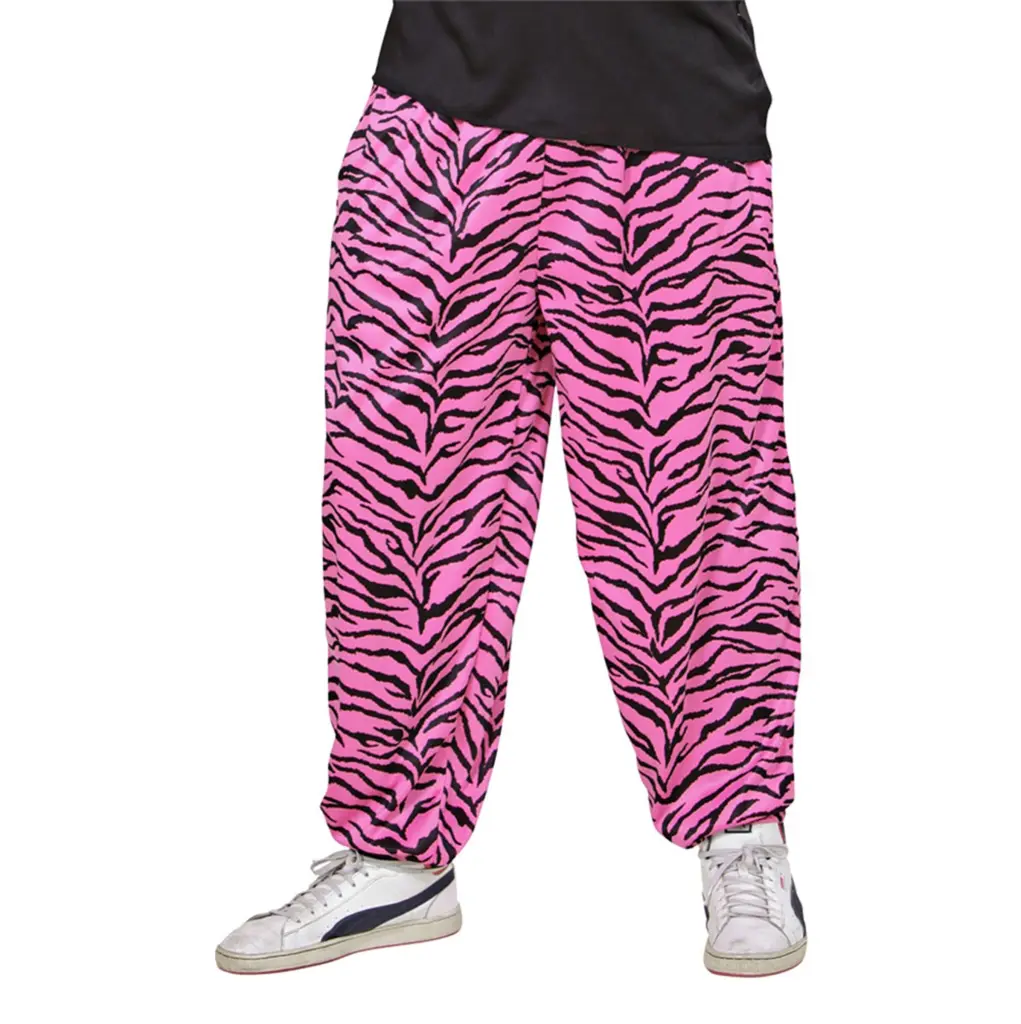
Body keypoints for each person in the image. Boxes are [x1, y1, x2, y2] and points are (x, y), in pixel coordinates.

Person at [216, 0, 806, 978]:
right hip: (435, 117)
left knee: (696, 499)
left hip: (669, 131)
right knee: (398, 495)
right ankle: (396, 849)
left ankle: (742, 830)